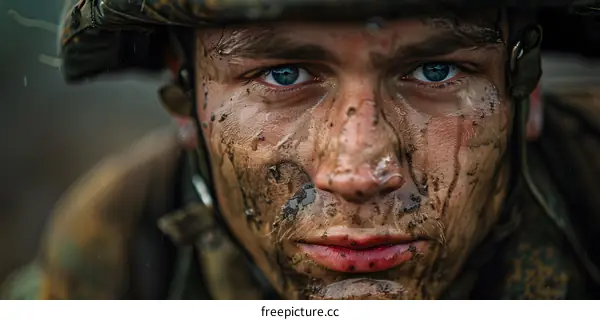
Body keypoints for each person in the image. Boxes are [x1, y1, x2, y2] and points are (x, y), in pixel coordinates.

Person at [3, 0, 600, 300]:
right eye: (284, 75)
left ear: (529, 90)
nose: (359, 171)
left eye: (435, 69)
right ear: (187, 99)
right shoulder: (120, 249)